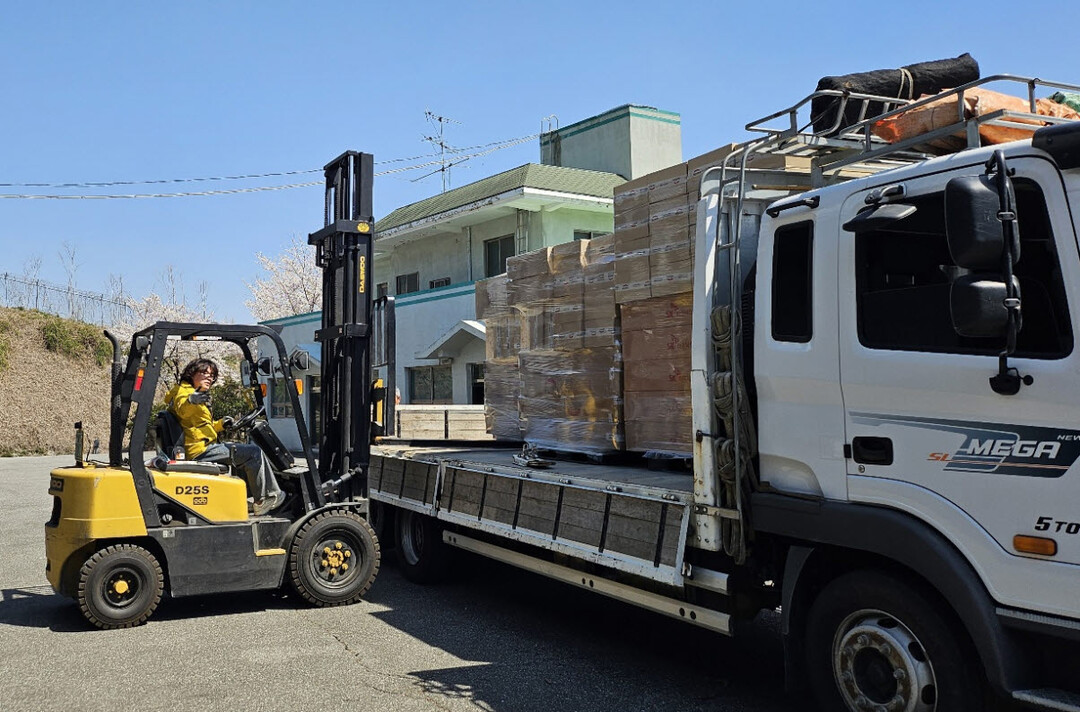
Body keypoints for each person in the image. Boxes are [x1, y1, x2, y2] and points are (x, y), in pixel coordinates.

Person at [165, 358, 284, 516]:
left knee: (240, 453)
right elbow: (182, 408)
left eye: (212, 375)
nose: (209, 377)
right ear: (191, 373)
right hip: (200, 450)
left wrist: (221, 424)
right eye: (204, 373)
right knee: (253, 453)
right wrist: (191, 400)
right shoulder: (185, 392)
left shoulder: (190, 392)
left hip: (200, 445)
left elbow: (200, 426)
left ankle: (245, 499)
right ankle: (265, 498)